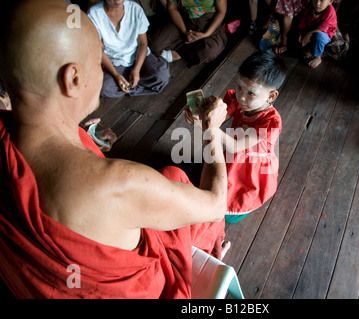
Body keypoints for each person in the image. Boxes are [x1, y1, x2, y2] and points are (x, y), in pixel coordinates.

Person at [0, 0, 230, 298]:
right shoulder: (118, 183)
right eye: (98, 61)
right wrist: (212, 130)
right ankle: (210, 252)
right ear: (73, 79)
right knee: (176, 176)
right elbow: (216, 205)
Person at [186, 50, 287, 223]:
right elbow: (219, 118)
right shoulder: (238, 102)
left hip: (251, 165)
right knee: (216, 189)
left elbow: (237, 145)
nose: (241, 96)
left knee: (230, 212)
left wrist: (210, 126)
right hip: (233, 155)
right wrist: (201, 117)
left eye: (251, 93)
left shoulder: (270, 122)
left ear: (271, 96)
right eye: (239, 87)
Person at [87, 0, 170, 98]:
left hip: (138, 56)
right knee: (105, 89)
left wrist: (136, 70)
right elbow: (99, 50)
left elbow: (142, 44)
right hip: (114, 62)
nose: (118, 0)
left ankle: (128, 86)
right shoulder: (94, 14)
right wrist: (116, 75)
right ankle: (132, 85)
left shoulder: (135, 9)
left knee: (162, 77)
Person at [148, 0, 227, 67]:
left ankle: (184, 50)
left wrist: (205, 34)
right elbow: (172, 8)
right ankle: (184, 46)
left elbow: (221, 12)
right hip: (183, 20)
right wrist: (184, 31)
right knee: (155, 45)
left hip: (207, 22)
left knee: (209, 52)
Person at [293, 0, 337, 68]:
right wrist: (301, 32)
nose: (317, 3)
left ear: (330, 1)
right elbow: (303, 20)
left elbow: (323, 28)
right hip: (313, 27)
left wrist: (308, 34)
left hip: (326, 32)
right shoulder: (310, 6)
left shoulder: (330, 11)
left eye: (322, 1)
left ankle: (318, 57)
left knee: (320, 37)